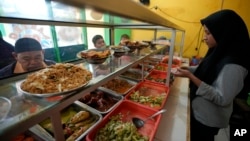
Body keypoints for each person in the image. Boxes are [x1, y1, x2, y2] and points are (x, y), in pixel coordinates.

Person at [171, 9, 250, 141]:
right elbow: (208, 70)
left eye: (208, 33)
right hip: (199, 109)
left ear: (223, 33)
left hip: (208, 118)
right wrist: (187, 69)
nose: (204, 37)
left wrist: (191, 77)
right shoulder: (220, 51)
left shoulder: (234, 66)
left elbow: (221, 98)